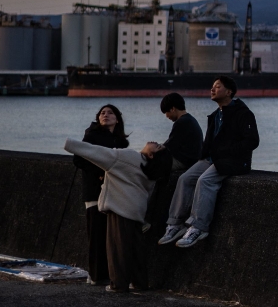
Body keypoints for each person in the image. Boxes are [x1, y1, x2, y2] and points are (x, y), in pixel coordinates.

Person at [159, 76, 259, 249]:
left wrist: (226, 151)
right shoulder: (215, 115)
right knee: (185, 178)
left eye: (217, 87)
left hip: (234, 161)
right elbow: (209, 143)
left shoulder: (243, 113)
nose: (212, 89)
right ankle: (175, 223)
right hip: (214, 159)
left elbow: (252, 141)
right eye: (212, 86)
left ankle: (199, 227)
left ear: (229, 92)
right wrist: (204, 156)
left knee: (205, 181)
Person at [64, 126, 155, 292]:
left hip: (120, 208)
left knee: (117, 249)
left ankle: (117, 285)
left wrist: (71, 144)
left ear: (152, 154)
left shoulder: (129, 156)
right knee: (136, 250)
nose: (156, 142)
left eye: (158, 146)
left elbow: (98, 153)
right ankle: (139, 283)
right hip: (137, 210)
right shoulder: (150, 169)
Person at [72, 104, 128, 285]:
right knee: (96, 235)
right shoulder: (92, 135)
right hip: (94, 191)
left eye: (110, 113)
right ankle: (96, 276)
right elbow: (78, 158)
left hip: (113, 193)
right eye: (102, 113)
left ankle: (109, 274)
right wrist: (99, 172)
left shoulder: (120, 142)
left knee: (110, 236)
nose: (106, 115)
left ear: (117, 119)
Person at [140, 93, 203, 233]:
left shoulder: (181, 123)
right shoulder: (190, 120)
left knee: (150, 167)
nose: (166, 116)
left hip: (184, 161)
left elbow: (167, 147)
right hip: (191, 160)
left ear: (173, 109)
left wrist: (149, 151)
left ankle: (145, 217)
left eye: (166, 112)